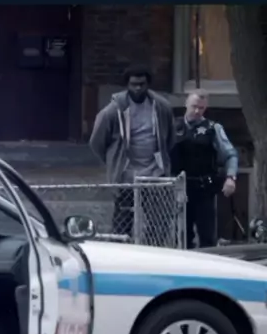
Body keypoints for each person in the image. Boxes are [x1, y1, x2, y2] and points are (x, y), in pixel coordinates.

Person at [89, 66, 176, 241]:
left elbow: (170, 138)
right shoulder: (113, 111)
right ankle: (121, 252)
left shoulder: (162, 107)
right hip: (126, 176)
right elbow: (96, 142)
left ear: (148, 85)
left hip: (154, 173)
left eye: (142, 84)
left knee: (157, 223)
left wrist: (163, 162)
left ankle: (153, 252)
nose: (138, 88)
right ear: (127, 85)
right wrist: (114, 161)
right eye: (134, 84)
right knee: (122, 225)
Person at [170, 91, 238, 248]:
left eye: (201, 108)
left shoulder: (212, 128)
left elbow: (230, 154)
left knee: (207, 236)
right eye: (194, 106)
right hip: (178, 189)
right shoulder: (172, 126)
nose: (197, 111)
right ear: (186, 104)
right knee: (181, 237)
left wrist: (230, 177)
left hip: (203, 188)